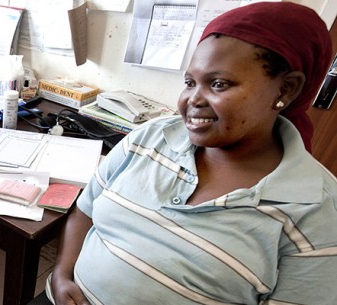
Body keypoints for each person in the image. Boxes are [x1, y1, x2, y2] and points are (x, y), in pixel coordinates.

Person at [48, 2, 337, 305]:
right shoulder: (151, 137)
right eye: (189, 83)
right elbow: (87, 208)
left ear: (285, 90)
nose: (192, 100)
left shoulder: (317, 214)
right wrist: (62, 274)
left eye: (218, 84)